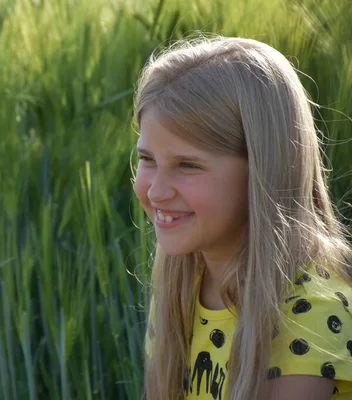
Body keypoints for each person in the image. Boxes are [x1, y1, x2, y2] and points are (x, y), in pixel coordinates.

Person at [133, 35, 352, 400]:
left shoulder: (309, 309)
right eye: (147, 160)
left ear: (262, 171)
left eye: (187, 165)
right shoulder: (181, 287)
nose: (156, 191)